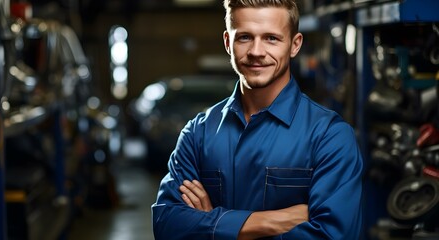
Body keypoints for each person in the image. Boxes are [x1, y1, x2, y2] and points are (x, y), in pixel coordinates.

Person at [151, 0, 364, 239]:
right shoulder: (198, 134)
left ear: (295, 45)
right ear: (228, 43)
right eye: (244, 38)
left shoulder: (329, 136)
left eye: (271, 38)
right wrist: (271, 221)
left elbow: (333, 235)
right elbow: (167, 225)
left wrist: (212, 225)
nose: (256, 52)